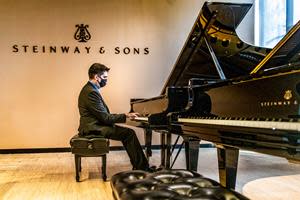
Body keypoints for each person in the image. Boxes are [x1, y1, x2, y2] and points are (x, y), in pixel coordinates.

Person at [78, 63, 150, 171]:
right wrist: (125, 115)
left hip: (95, 125)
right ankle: (142, 168)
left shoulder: (89, 89)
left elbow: (104, 116)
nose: (106, 80)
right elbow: (105, 118)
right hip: (93, 128)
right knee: (129, 134)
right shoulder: (91, 92)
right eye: (105, 78)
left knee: (127, 133)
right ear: (97, 77)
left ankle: (140, 166)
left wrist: (124, 115)